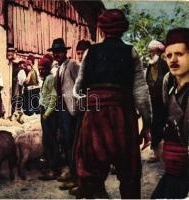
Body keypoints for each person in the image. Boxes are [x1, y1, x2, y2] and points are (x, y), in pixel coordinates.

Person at [73, 9, 152, 198]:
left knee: (91, 172)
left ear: (102, 29)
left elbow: (77, 89)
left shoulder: (90, 53)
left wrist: (89, 105)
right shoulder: (130, 52)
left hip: (95, 117)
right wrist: (147, 124)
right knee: (129, 173)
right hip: (122, 118)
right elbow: (141, 92)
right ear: (123, 29)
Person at [151, 27, 189, 199]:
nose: (173, 60)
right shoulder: (169, 82)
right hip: (174, 167)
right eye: (169, 55)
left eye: (179, 54)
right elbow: (166, 113)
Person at [48, 38, 80, 190]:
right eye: (55, 52)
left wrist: (80, 105)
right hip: (62, 108)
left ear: (65, 52)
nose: (57, 54)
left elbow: (81, 83)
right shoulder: (59, 68)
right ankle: (71, 172)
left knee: (72, 141)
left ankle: (77, 177)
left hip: (72, 109)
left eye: (59, 52)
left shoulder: (72, 64)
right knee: (65, 141)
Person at [145, 40, 169, 163]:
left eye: (153, 52)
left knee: (165, 124)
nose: (151, 54)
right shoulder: (149, 66)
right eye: (150, 52)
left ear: (159, 52)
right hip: (152, 101)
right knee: (154, 125)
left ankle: (166, 151)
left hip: (164, 101)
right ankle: (155, 152)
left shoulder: (165, 65)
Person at [37, 55, 60, 180]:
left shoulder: (50, 78)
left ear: (48, 69)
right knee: (47, 141)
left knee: (51, 141)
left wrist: (47, 113)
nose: (41, 71)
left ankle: (54, 169)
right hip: (44, 111)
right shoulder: (46, 79)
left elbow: (54, 97)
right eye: (39, 69)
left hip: (49, 114)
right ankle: (50, 166)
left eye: (43, 69)